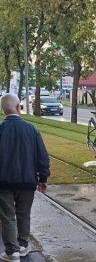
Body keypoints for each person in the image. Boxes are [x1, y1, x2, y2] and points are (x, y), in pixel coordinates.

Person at [0, 94, 50, 262]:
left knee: (7, 216)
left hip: (3, 182)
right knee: (23, 213)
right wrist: (43, 178)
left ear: (3, 110)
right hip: (28, 180)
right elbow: (42, 157)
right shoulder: (32, 129)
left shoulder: (0, 129)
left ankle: (12, 252)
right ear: (19, 108)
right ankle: (23, 245)